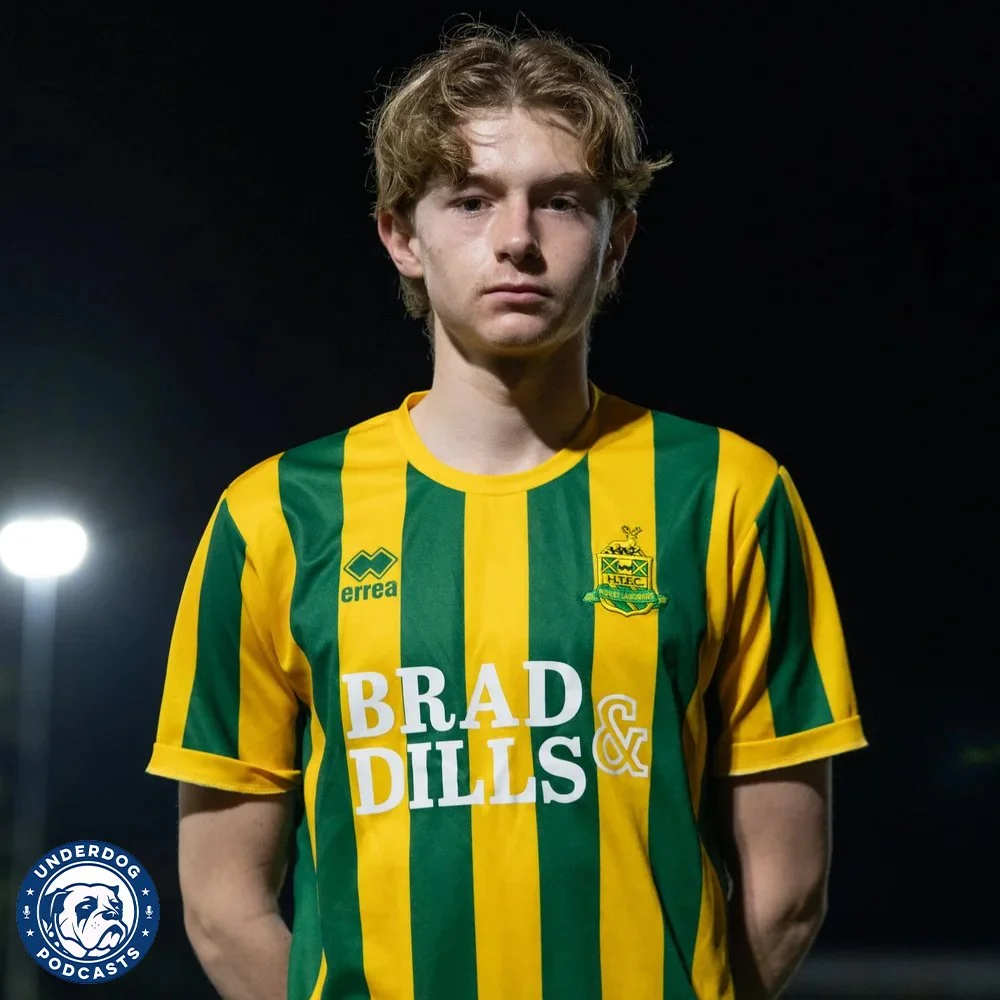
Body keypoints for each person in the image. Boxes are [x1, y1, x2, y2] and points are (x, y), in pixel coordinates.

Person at [146, 23, 867, 1000]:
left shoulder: (729, 494)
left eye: (561, 201)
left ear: (617, 241)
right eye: (471, 199)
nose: (517, 239)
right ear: (401, 235)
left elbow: (787, 891)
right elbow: (220, 904)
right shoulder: (274, 515)